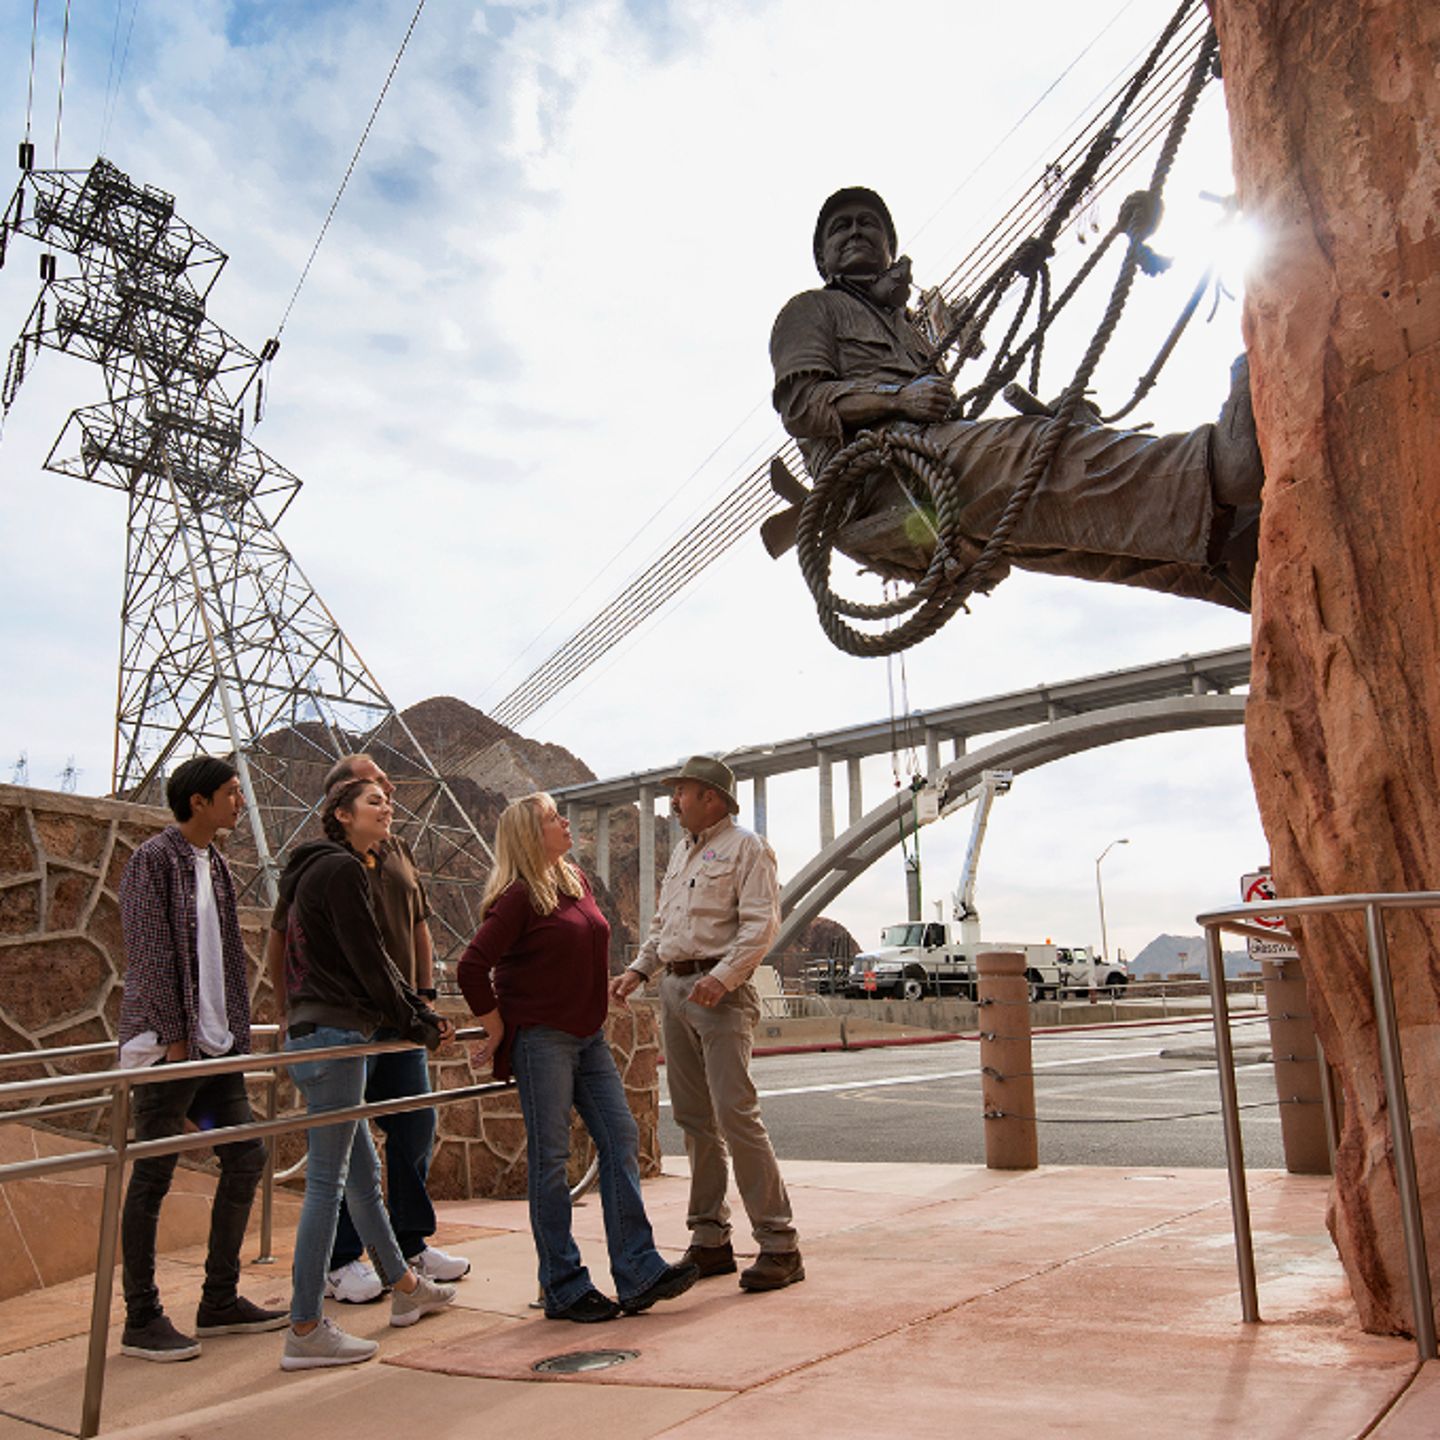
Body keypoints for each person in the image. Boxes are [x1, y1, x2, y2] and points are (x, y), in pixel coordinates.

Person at [768, 186, 1264, 610]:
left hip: (928, 469)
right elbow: (802, 405)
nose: (855, 231)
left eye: (868, 224)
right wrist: (899, 398)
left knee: (1060, 521)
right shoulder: (810, 310)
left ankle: (1233, 556)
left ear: (888, 247)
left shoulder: (909, 328)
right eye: (840, 228)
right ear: (823, 258)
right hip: (882, 480)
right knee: (1032, 453)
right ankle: (1219, 468)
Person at [458, 793, 698, 1322]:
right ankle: (563, 1285)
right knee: (551, 1161)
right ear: (529, 835)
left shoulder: (575, 882)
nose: (564, 822)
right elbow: (472, 966)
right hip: (541, 1039)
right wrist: (496, 1025)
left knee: (621, 1138)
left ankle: (637, 1271)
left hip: (588, 1036)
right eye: (552, 818)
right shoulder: (519, 896)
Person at [264, 753, 468, 1304]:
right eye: (374, 793)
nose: (389, 797)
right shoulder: (336, 868)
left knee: (382, 1154)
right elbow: (365, 959)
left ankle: (405, 1275)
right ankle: (316, 1302)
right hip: (345, 1028)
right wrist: (290, 1012)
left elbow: (407, 934)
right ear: (342, 807)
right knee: (333, 1179)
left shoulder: (386, 855)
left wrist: (421, 1001)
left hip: (373, 1020)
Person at [117, 755, 289, 1362]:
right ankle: (141, 1317)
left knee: (245, 1156)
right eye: (231, 792)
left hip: (216, 1049)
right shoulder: (153, 860)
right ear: (199, 801)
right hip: (170, 1052)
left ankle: (219, 1300)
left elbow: (223, 959)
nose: (240, 802)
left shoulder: (215, 863)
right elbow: (148, 954)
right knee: (153, 1174)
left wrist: (230, 1038)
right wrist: (173, 1041)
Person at [609, 757, 804, 1292]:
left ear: (711, 798)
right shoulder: (682, 853)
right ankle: (710, 1238)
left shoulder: (748, 848)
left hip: (721, 995)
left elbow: (761, 924)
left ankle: (780, 1244)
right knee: (695, 1120)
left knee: (736, 1116)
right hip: (675, 990)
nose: (674, 802)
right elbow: (663, 927)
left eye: (682, 792)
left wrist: (723, 977)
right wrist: (638, 971)